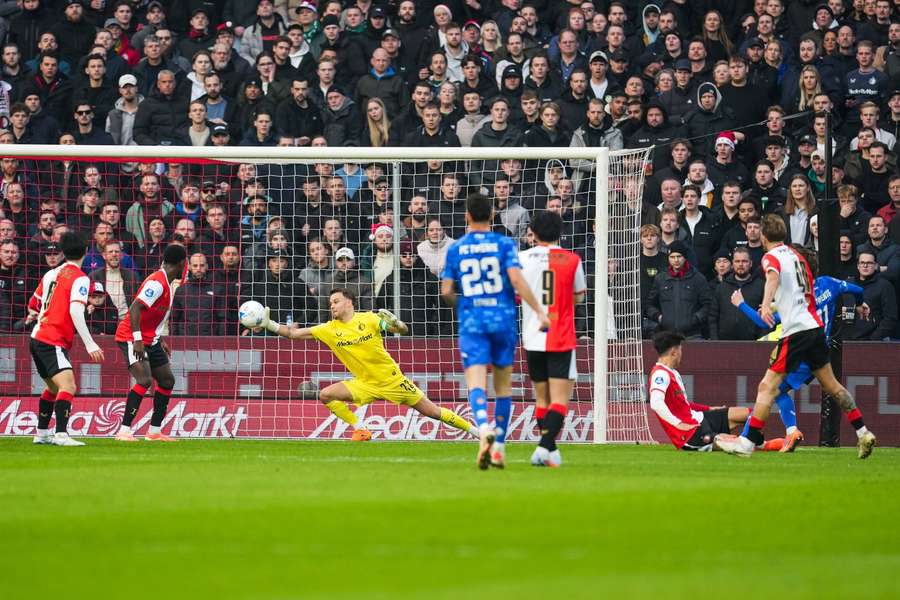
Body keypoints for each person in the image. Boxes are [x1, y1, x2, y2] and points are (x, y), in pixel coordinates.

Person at [716, 215, 877, 458]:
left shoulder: (772, 257)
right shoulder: (797, 256)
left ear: (763, 237)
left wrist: (766, 302)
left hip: (797, 332)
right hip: (814, 330)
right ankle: (863, 432)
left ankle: (747, 444)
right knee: (832, 386)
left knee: (768, 387)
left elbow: (772, 276)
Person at [247, 287, 477, 442]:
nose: (332, 306)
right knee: (326, 394)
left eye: (335, 301)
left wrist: (396, 322)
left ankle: (475, 430)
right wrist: (270, 325)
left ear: (349, 302)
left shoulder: (369, 319)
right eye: (330, 303)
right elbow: (294, 334)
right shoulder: (329, 329)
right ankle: (360, 428)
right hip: (365, 383)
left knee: (432, 411)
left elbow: (402, 330)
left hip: (393, 381)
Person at [440, 193, 550, 470]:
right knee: (503, 385)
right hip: (503, 320)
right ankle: (499, 446)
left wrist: (464, 304)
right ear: (492, 216)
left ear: (466, 216)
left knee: (476, 381)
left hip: (472, 322)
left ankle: (483, 426)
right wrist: (538, 310)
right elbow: (516, 279)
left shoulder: (456, 248)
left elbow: (445, 291)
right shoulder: (503, 244)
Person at [518, 211, 586, 468]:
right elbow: (579, 296)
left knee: (541, 399)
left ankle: (551, 450)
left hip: (532, 336)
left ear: (533, 233)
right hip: (560, 336)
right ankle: (544, 447)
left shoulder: (521, 258)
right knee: (559, 399)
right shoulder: (572, 260)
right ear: (560, 233)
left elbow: (516, 292)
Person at [28, 231, 105, 447]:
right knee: (68, 387)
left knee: (54, 387)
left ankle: (42, 433)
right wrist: (90, 343)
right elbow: (75, 311)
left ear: (62, 252)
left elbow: (33, 305)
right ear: (87, 251)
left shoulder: (51, 273)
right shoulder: (81, 278)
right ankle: (61, 434)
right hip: (52, 339)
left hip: (36, 337)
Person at [648, 331, 783, 452]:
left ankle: (756, 443)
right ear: (674, 352)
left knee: (750, 414)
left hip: (699, 418)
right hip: (689, 434)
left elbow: (684, 405)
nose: (681, 355)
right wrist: (678, 424)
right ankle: (760, 445)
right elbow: (656, 403)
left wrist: (710, 408)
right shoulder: (660, 374)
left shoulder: (673, 373)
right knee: (733, 444)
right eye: (681, 350)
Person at [113, 245, 187, 442]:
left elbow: (152, 315)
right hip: (131, 336)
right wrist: (137, 339)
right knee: (144, 380)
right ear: (181, 264)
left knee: (167, 381)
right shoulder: (157, 283)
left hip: (150, 339)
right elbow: (136, 307)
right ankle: (124, 431)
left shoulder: (168, 283)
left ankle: (154, 431)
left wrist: (159, 339)